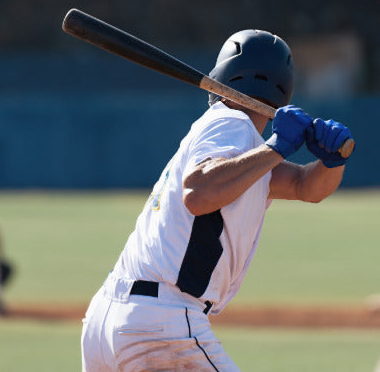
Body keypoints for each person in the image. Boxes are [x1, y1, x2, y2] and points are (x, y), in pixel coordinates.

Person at [81, 30, 354, 371]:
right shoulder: (233, 123)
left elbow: (304, 186)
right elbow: (198, 193)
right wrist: (277, 146)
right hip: (159, 325)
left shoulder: (238, 149)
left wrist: (332, 161)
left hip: (109, 320)